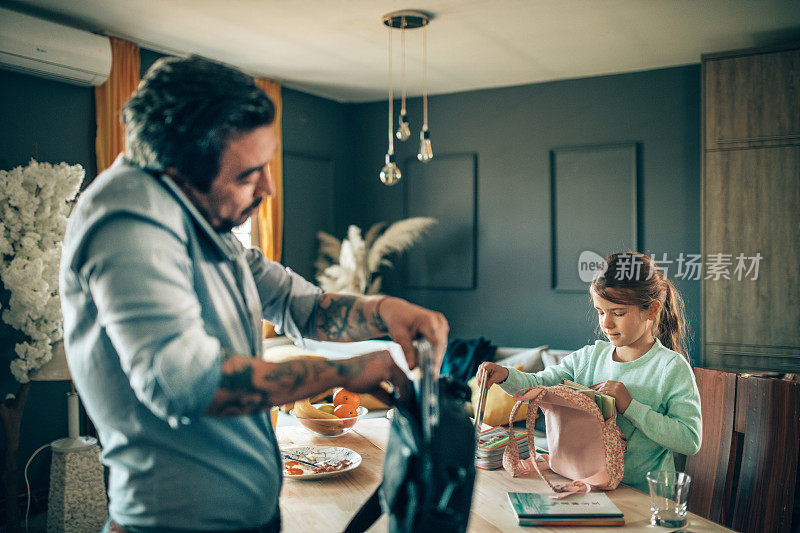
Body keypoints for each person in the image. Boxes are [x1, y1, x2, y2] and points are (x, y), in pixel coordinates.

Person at [59, 55, 448, 533]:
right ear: (176, 170)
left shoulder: (203, 217)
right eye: (248, 174)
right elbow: (185, 383)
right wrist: (348, 371)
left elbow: (300, 307)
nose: (268, 186)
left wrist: (389, 311)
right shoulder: (128, 221)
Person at [478, 251, 701, 492]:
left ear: (652, 310)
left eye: (618, 313)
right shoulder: (589, 357)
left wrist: (630, 406)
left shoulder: (671, 367)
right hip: (587, 488)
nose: (606, 323)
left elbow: (690, 439)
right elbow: (538, 384)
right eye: (600, 311)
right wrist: (505, 376)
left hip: (643, 496)